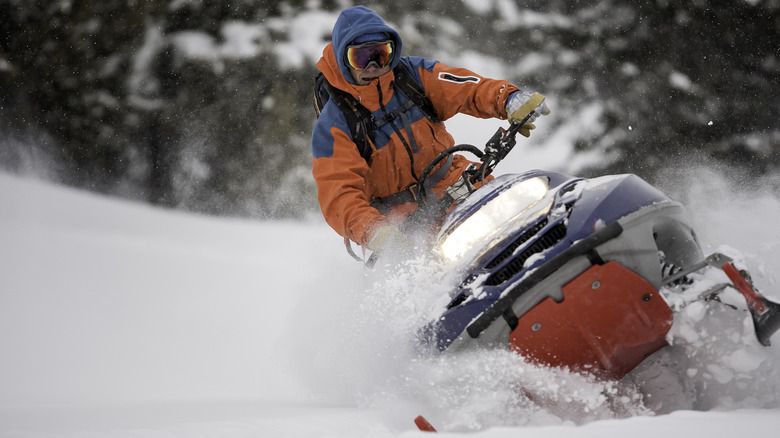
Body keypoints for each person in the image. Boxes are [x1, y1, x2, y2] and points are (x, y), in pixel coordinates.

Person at [311, 5, 550, 255]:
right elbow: (339, 195)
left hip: (458, 186)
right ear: (343, 60)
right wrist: (374, 232)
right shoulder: (335, 123)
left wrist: (508, 98)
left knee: (523, 220)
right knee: (437, 278)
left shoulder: (412, 77)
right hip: (402, 226)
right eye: (360, 58)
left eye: (380, 55)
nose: (372, 65)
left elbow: (467, 88)